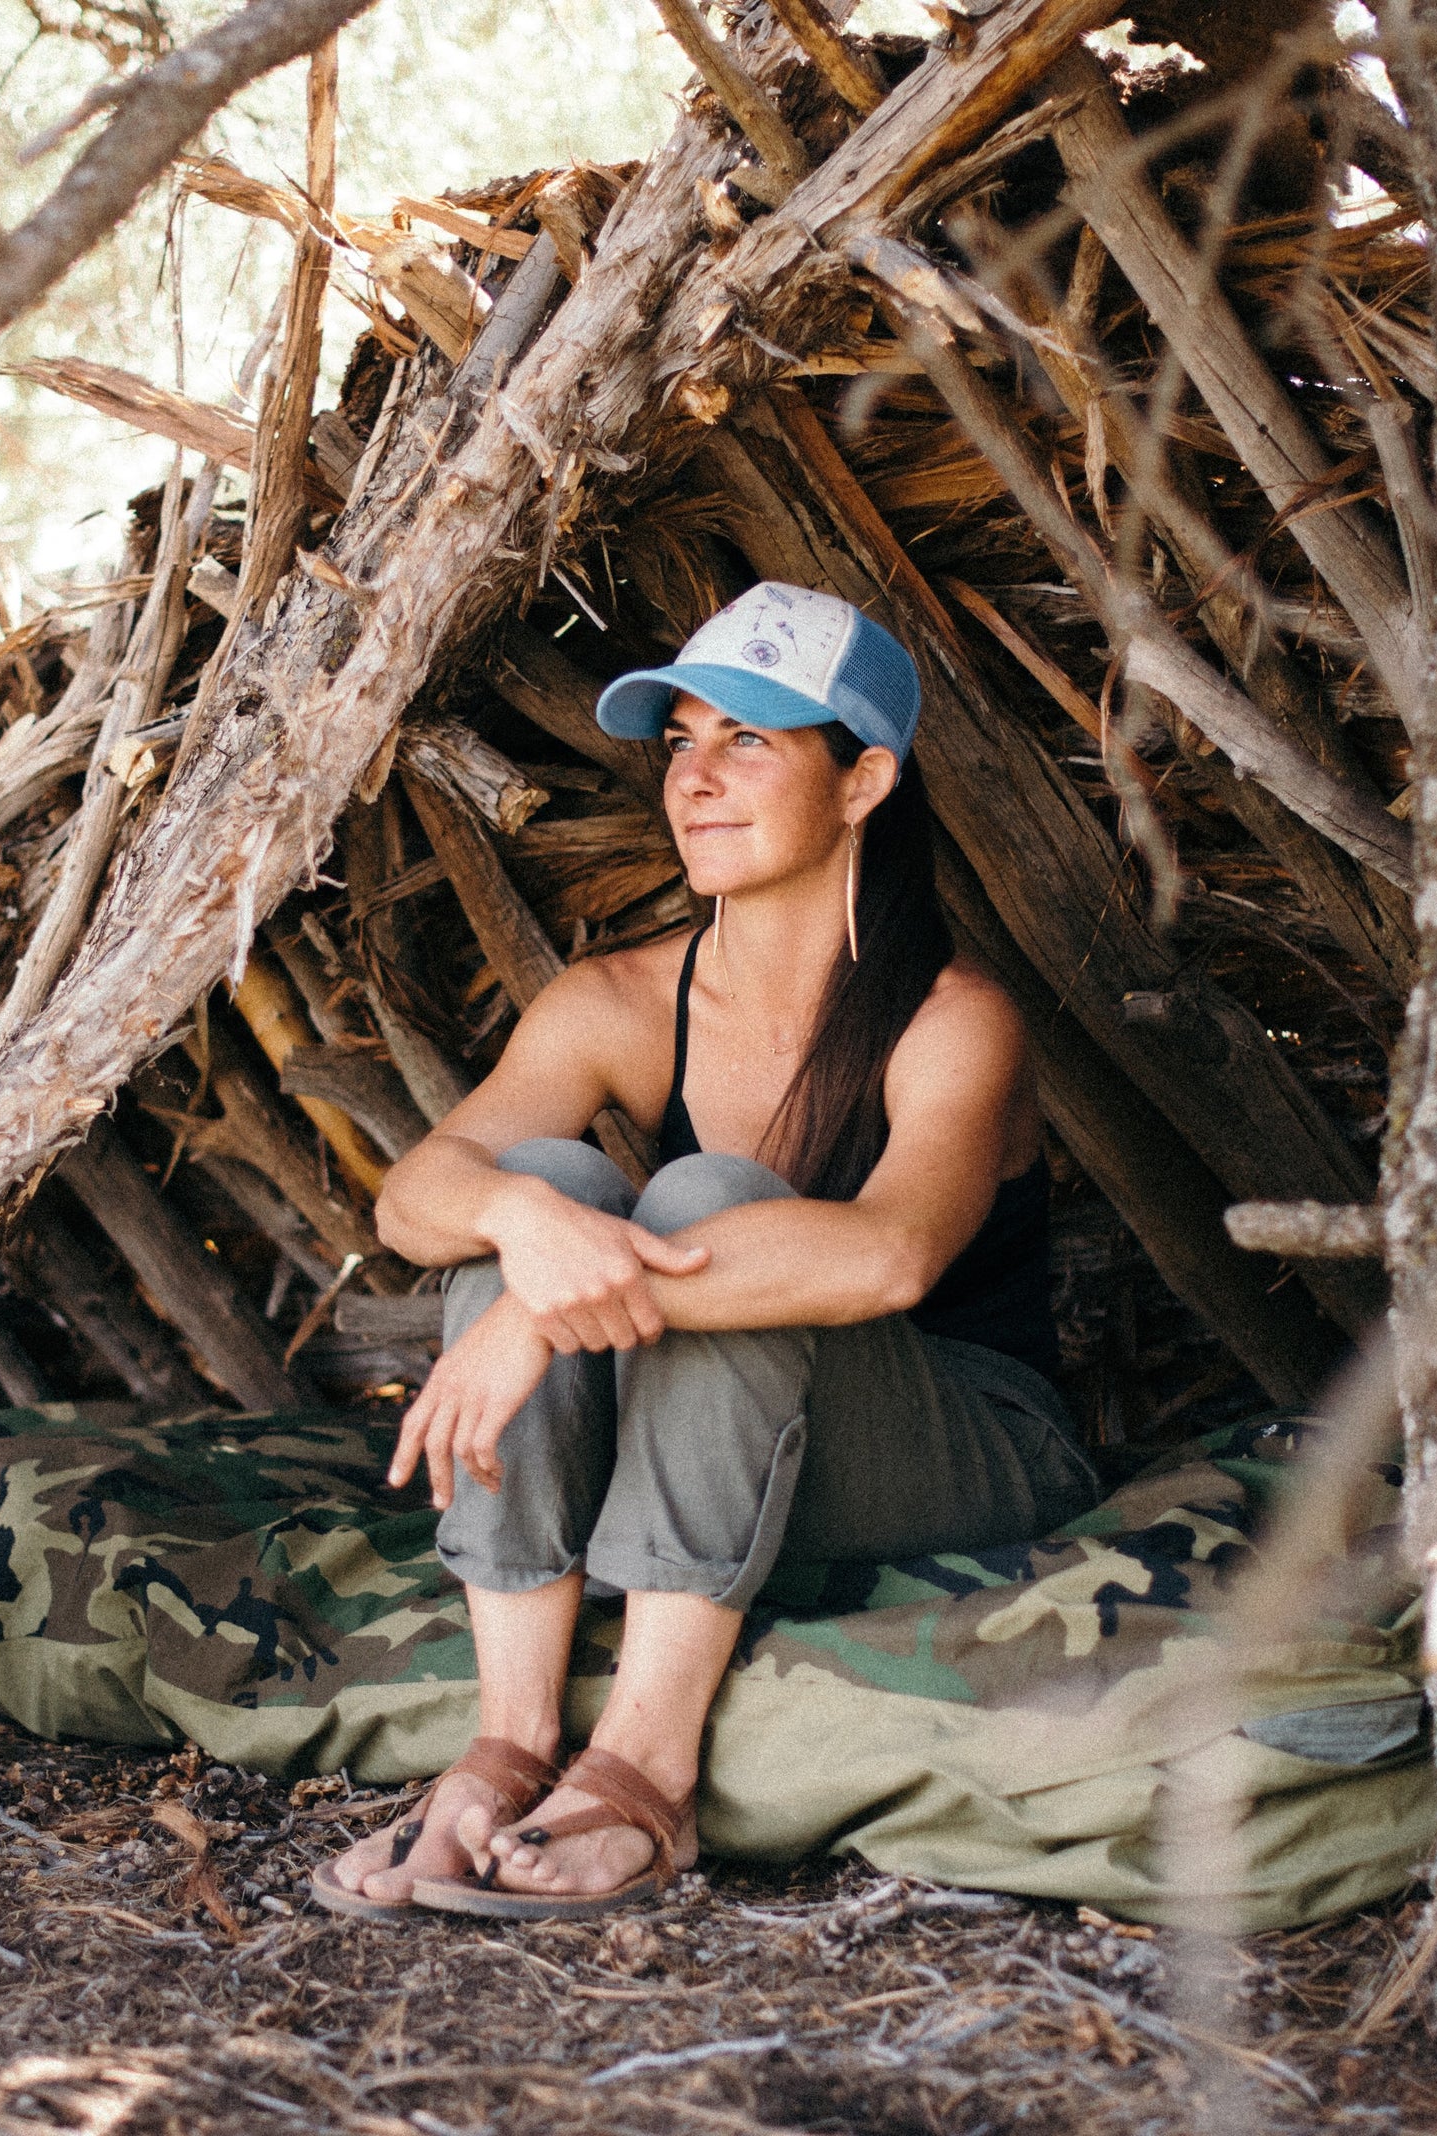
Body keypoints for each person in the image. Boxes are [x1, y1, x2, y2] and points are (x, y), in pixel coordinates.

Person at [307, 581, 1095, 1925]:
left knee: (703, 1199)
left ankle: (647, 1774)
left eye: (751, 743)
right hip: (716, 1443)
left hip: (957, 1442)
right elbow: (417, 1197)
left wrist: (540, 1318)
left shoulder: (954, 1020)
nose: (697, 780)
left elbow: (888, 1260)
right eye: (680, 742)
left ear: (864, 782)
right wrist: (527, 1235)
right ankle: (509, 1738)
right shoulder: (617, 997)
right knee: (543, 1182)